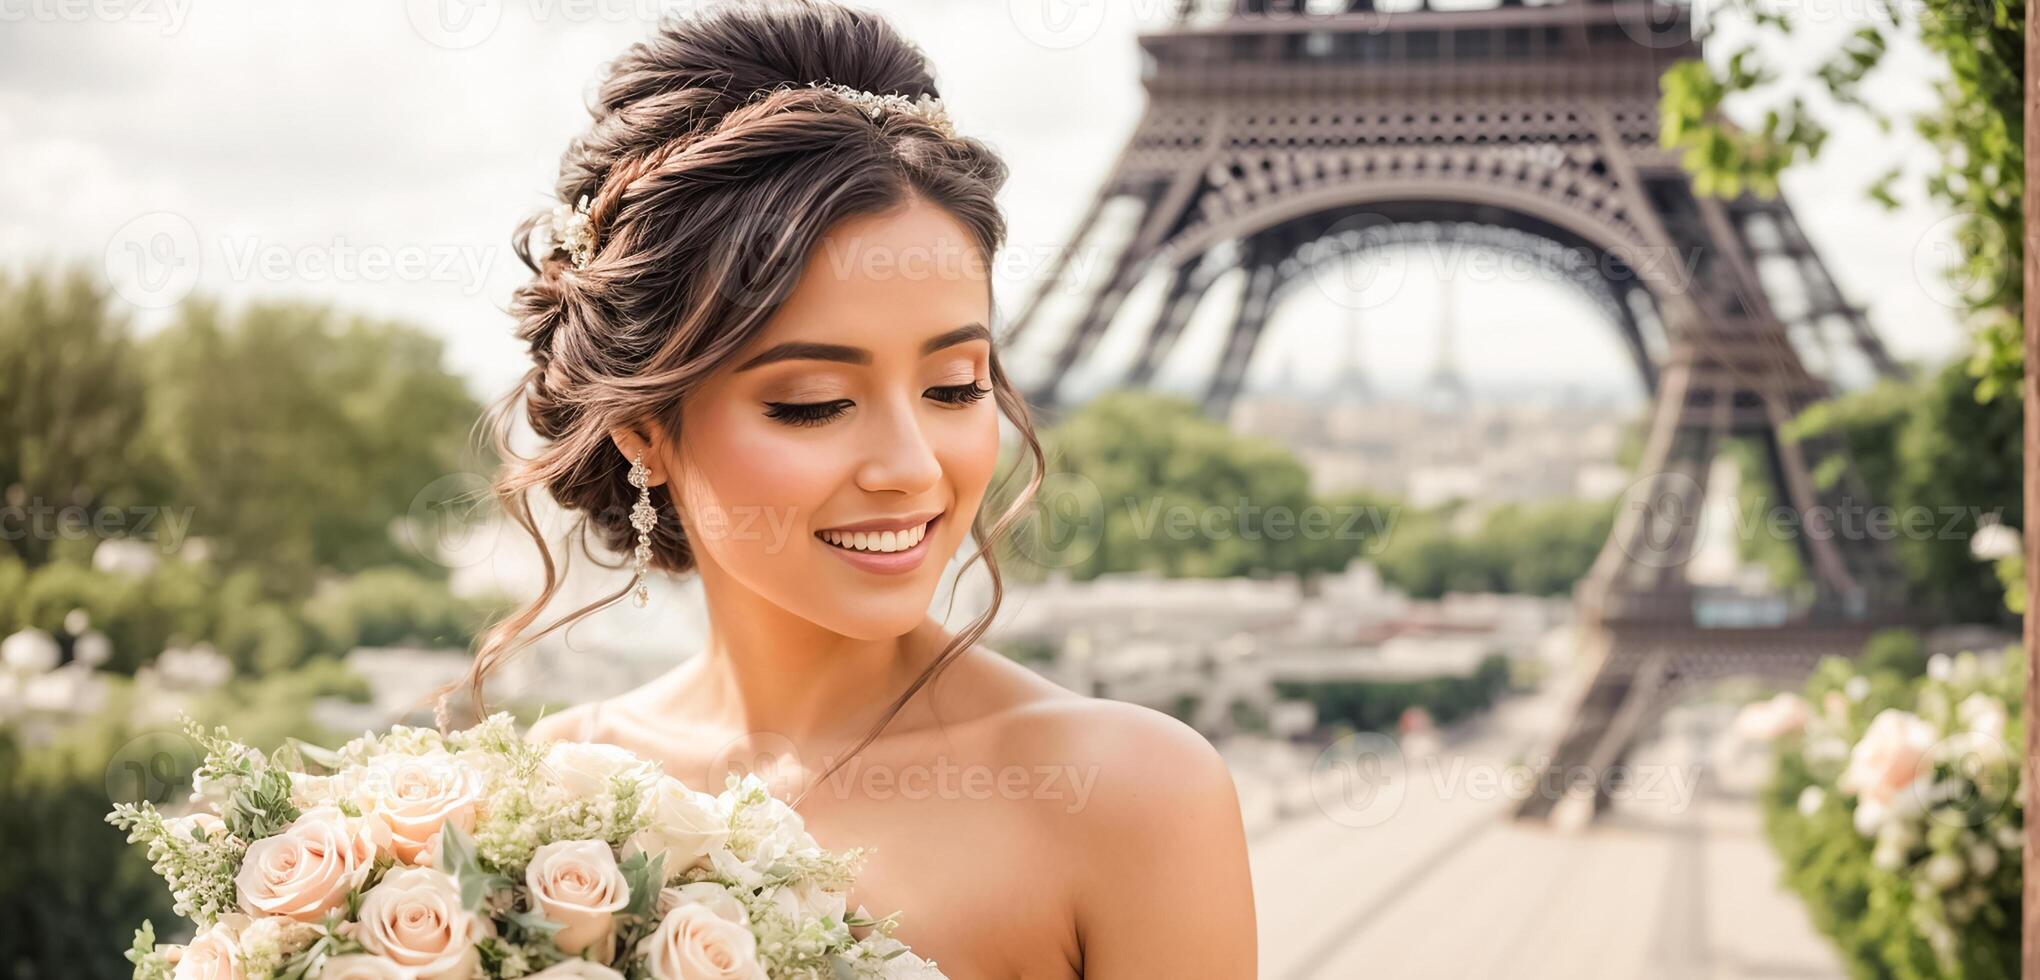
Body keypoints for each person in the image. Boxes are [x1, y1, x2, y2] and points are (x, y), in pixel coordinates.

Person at [459, 2, 1257, 975]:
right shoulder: (542, 795)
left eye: (956, 386)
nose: (914, 466)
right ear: (643, 430)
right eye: (813, 402)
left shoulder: (1129, 794)